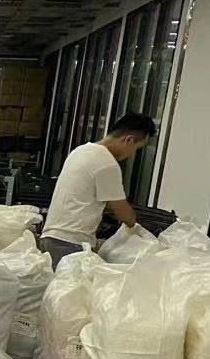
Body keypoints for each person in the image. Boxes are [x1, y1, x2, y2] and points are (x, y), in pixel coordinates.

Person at [39, 112, 157, 270]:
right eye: (136, 149)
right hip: (69, 242)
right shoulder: (107, 163)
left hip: (52, 237)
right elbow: (124, 215)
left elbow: (85, 197)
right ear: (128, 140)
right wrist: (139, 230)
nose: (131, 155)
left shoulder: (81, 151)